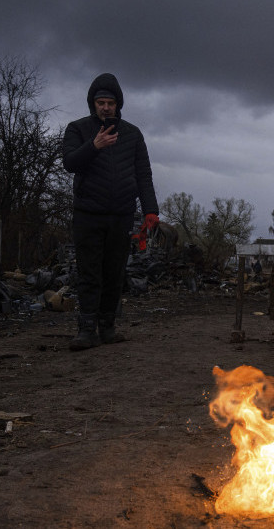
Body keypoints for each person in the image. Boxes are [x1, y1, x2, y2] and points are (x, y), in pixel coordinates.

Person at [62, 73, 159, 351]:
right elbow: (69, 163)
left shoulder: (132, 134)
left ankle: (107, 327)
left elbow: (143, 174)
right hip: (88, 213)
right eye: (100, 102)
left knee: (114, 273)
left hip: (121, 214)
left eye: (110, 102)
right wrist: (94, 146)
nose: (105, 107)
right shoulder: (78, 129)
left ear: (118, 105)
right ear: (93, 104)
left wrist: (151, 210)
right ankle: (86, 329)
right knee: (89, 272)